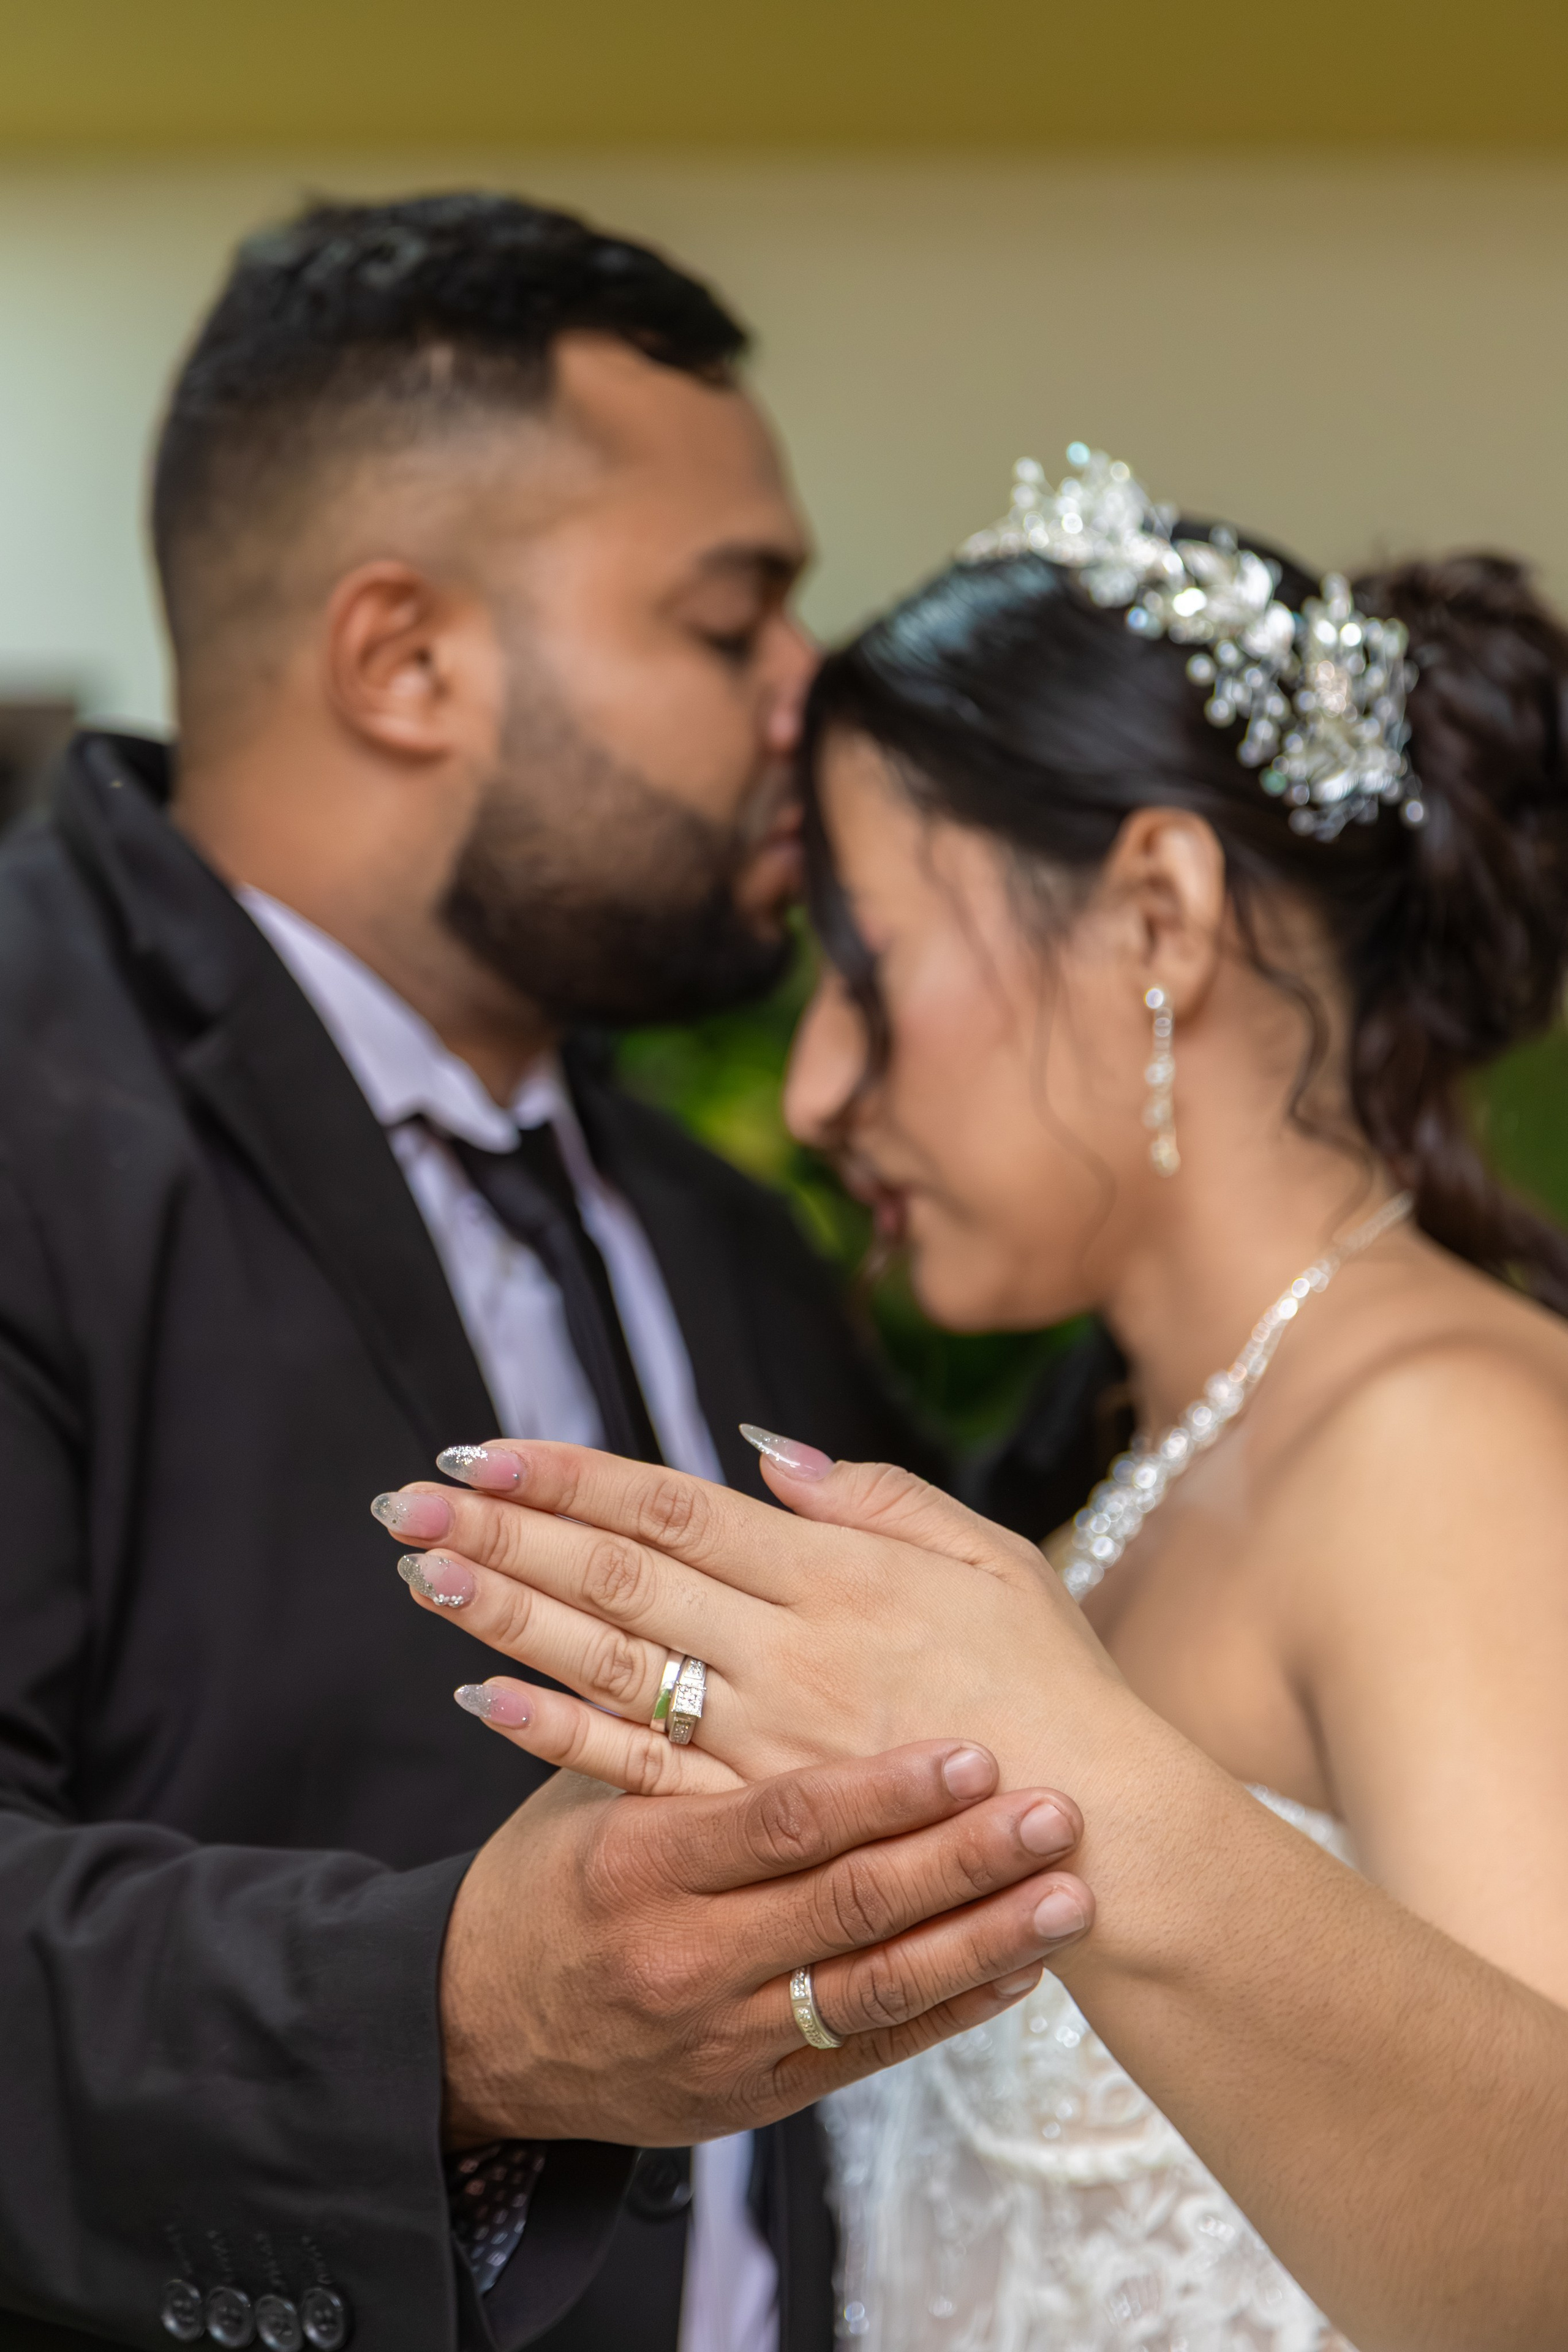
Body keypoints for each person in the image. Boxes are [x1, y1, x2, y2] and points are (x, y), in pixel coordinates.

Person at [0, 198, 1104, 2352]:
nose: (818, 703)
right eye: (732, 624)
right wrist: (450, 2021)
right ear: (404, 660)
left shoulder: (715, 1230)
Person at [382, 448, 1568, 2351]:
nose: (827, 1086)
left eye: (866, 962)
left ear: (1160, 917)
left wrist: (1090, 1785)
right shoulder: (1127, 1482)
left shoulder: (1442, 1440)